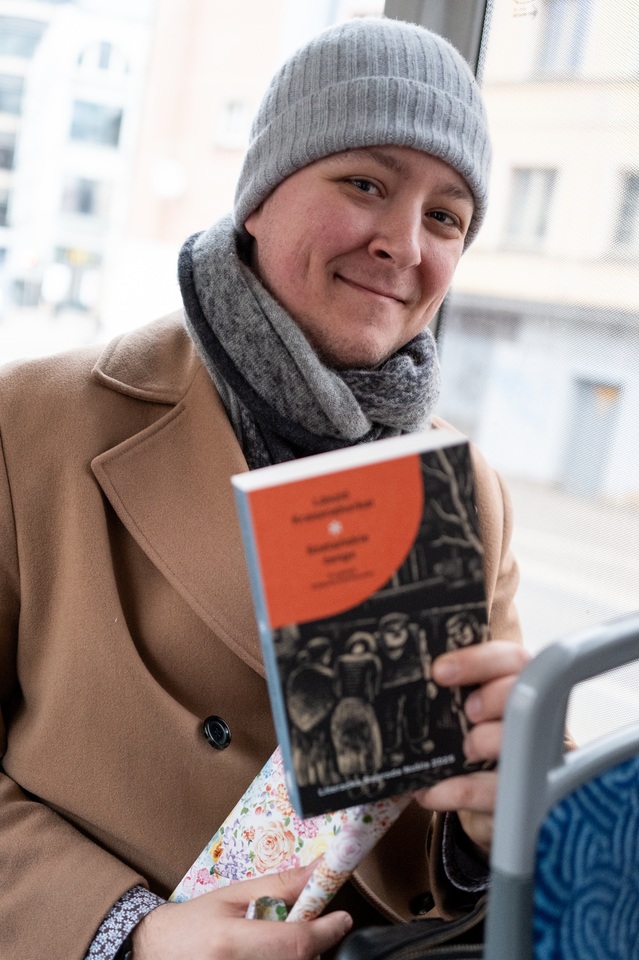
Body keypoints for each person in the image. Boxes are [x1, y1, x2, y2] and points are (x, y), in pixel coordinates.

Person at [0, 16, 528, 960]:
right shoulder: (34, 424)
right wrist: (127, 933)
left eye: (445, 217)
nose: (404, 244)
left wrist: (487, 825)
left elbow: (447, 841)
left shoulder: (466, 494)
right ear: (257, 197)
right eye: (364, 183)